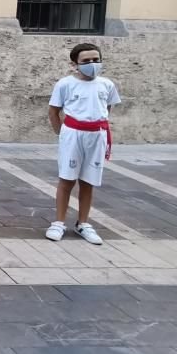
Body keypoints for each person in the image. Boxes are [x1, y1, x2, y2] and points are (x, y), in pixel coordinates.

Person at [45, 43, 121, 245]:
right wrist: (62, 134)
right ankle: (59, 222)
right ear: (74, 64)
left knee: (88, 181)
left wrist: (97, 126)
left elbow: (107, 107)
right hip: (73, 134)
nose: (92, 64)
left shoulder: (107, 84)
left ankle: (83, 223)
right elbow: (54, 111)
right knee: (67, 179)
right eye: (86, 61)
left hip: (96, 135)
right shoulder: (65, 84)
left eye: (95, 60)